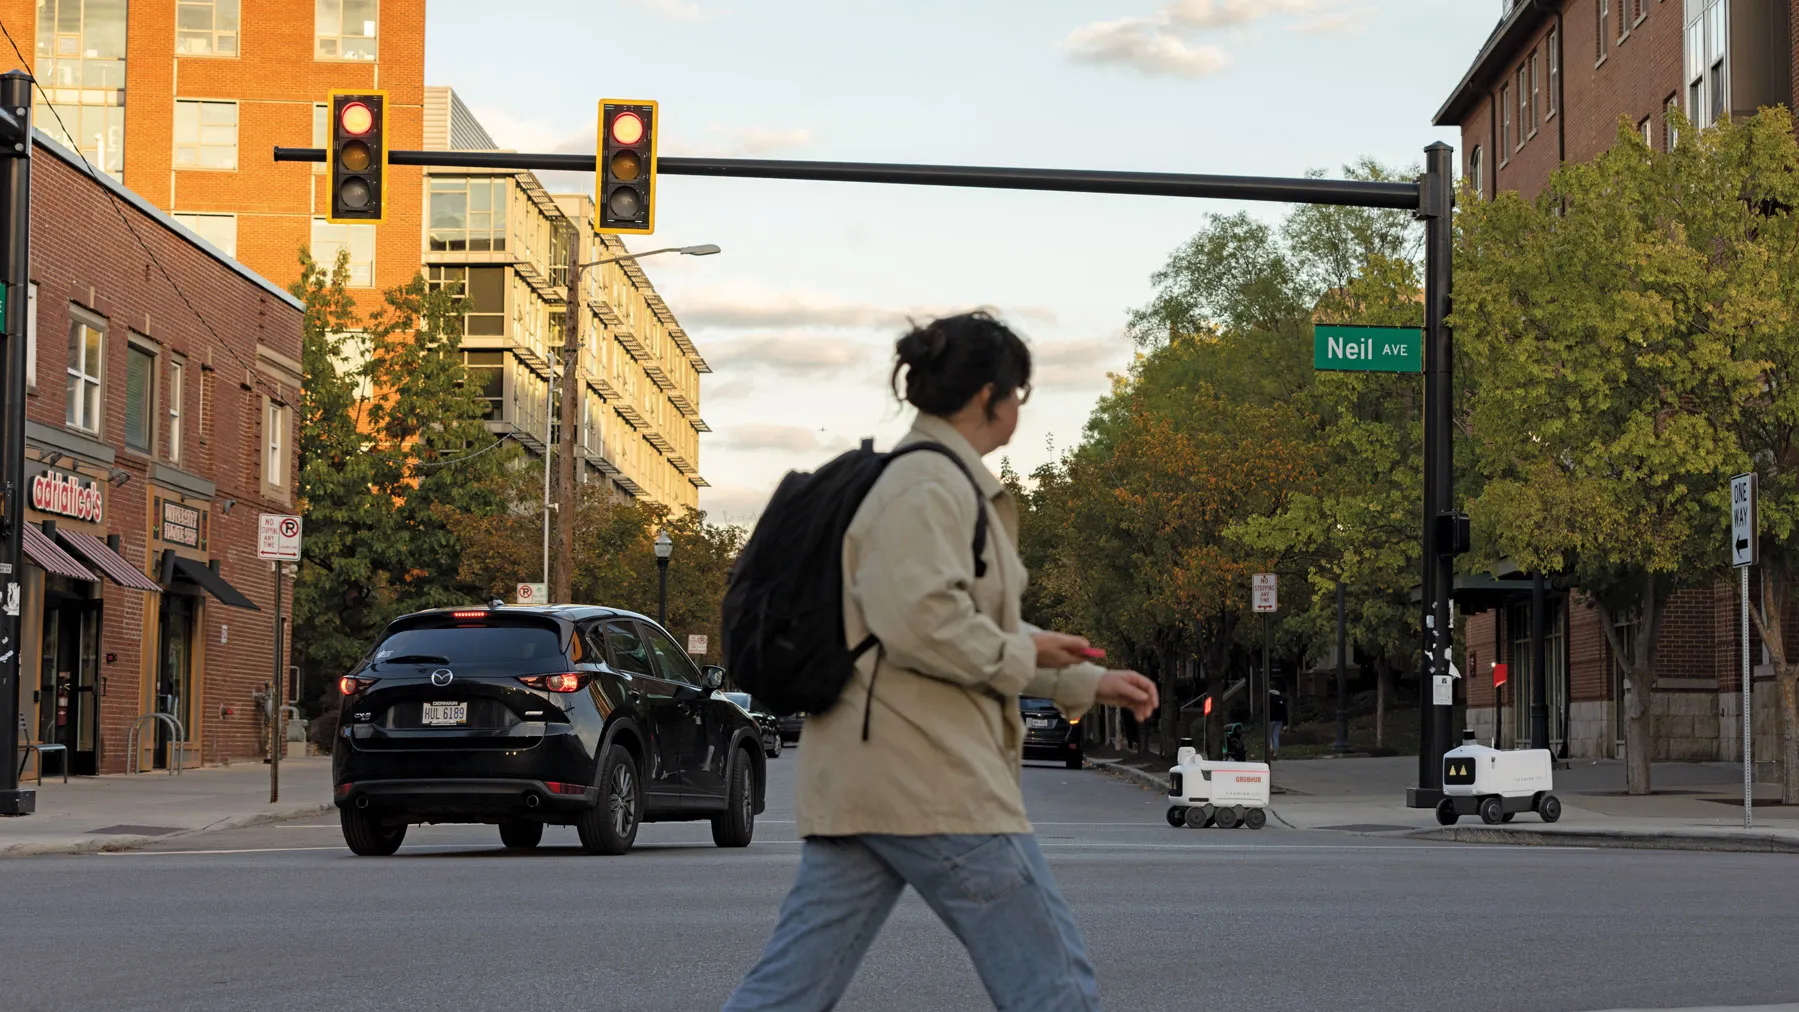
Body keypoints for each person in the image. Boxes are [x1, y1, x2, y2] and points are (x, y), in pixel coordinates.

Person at [721, 312, 1160, 1012]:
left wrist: (1087, 680)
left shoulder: (937, 483)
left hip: (872, 781)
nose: (1019, 408)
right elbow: (922, 625)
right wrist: (1027, 653)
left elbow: (975, 627)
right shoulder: (926, 487)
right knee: (1050, 982)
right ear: (988, 397)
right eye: (1018, 393)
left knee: (787, 992)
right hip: (931, 777)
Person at [1268, 688, 1287, 760]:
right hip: (1280, 720)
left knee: (1269, 735)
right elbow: (1285, 712)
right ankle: (1275, 753)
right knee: (1275, 736)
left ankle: (1271, 748)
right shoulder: (1281, 700)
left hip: (1271, 720)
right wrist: (1285, 723)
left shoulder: (1270, 700)